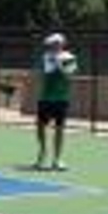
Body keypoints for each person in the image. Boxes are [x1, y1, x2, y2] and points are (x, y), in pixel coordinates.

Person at [35, 32, 78, 171]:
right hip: (45, 98)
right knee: (40, 127)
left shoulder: (70, 57)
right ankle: (42, 153)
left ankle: (57, 159)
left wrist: (59, 64)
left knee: (59, 129)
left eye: (55, 43)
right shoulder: (46, 57)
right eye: (51, 44)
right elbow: (44, 73)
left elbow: (69, 74)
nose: (52, 46)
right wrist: (51, 62)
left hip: (61, 98)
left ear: (62, 44)